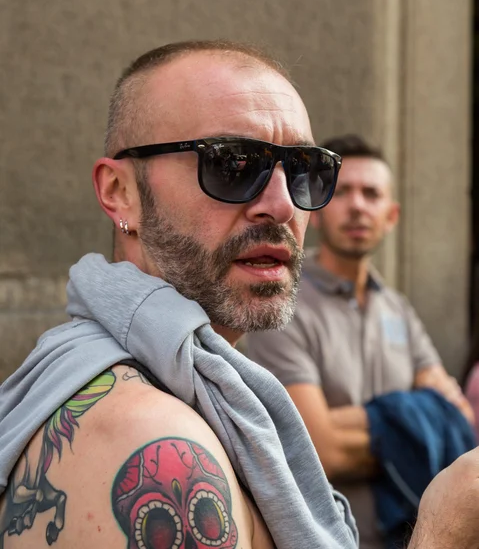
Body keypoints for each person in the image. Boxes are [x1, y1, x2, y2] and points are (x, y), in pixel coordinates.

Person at [1, 43, 479, 549]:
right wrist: (444, 532)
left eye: (304, 170)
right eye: (232, 164)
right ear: (120, 191)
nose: (280, 205)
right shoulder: (153, 446)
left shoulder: (192, 389)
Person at [246, 134, 474, 549]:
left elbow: (456, 416)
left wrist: (379, 421)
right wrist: (417, 416)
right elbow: (320, 447)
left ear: (391, 215)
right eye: (343, 191)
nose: (357, 205)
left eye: (371, 194)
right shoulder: (279, 302)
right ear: (315, 204)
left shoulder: (398, 309)